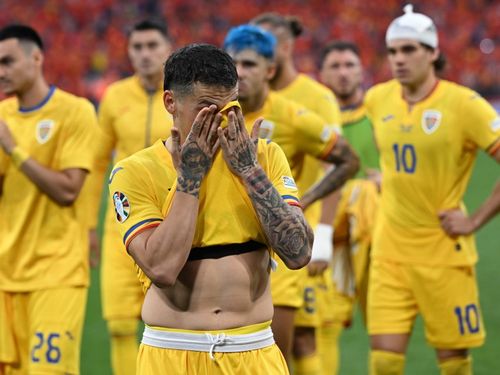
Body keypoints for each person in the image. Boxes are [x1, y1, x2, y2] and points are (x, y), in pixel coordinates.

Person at [307, 5, 500, 375]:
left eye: (409, 50)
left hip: (444, 253)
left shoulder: (464, 105)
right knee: (384, 361)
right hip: (390, 252)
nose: (398, 59)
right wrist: (376, 176)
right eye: (393, 51)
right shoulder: (379, 99)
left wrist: (473, 220)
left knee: (454, 364)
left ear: (433, 53)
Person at [108, 43, 313, 375]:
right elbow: (161, 268)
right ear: (170, 102)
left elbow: (299, 252)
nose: (221, 120)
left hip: (254, 351)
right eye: (206, 108)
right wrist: (191, 177)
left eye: (230, 106)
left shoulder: (264, 156)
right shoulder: (135, 171)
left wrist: (249, 172)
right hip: (172, 354)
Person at [223, 24, 359, 373]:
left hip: (279, 251)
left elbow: (348, 159)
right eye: (234, 62)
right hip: (228, 248)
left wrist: (308, 201)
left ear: (270, 69)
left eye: (250, 64)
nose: (241, 71)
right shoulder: (217, 115)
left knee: (275, 356)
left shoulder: (291, 116)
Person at [0, 25, 97, 374]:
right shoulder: (2, 116)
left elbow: (68, 191)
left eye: (8, 61)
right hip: (6, 273)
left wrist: (14, 149)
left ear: (36, 57)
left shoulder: (75, 112)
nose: (1, 72)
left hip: (57, 271)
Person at [251, 13, 344, 374]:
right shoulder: (241, 95)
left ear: (285, 47)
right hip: (258, 236)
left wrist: (322, 235)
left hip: (299, 234)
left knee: (301, 336)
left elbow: (335, 166)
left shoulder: (314, 98)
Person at [86, 19, 173, 375]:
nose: (145, 54)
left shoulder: (184, 95)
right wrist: (88, 225)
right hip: (121, 223)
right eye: (137, 47)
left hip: (173, 218)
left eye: (152, 45)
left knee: (171, 319)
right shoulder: (115, 97)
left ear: (169, 48)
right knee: (120, 323)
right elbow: (94, 164)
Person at [318, 40, 381, 374]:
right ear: (322, 74)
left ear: (361, 70)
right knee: (325, 324)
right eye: (335, 66)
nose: (343, 73)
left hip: (375, 234)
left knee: (383, 325)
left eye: (349, 65)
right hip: (331, 234)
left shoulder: (380, 116)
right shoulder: (314, 121)